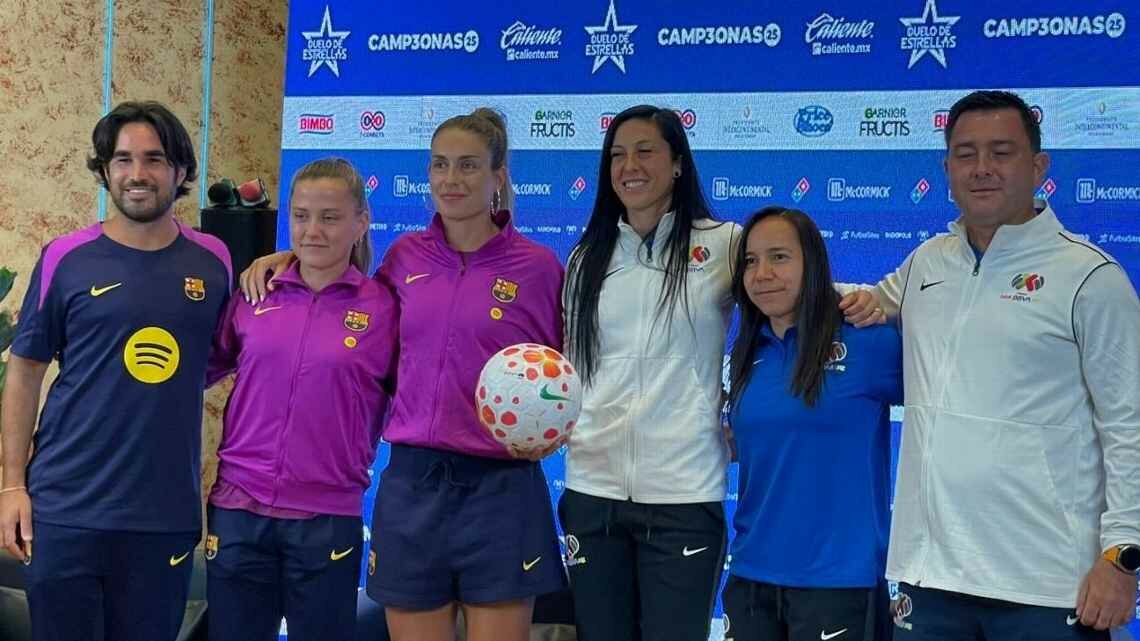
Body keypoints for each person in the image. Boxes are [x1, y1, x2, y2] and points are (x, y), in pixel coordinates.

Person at [240, 108, 567, 641]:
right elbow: (344, 295)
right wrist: (289, 259)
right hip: (414, 486)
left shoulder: (538, 268)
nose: (451, 178)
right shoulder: (404, 257)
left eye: (468, 165)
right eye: (440, 164)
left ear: (498, 176)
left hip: (502, 491)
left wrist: (556, 428)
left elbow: (565, 375)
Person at [844, 90, 1140, 638]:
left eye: (1001, 152)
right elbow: (860, 301)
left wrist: (1122, 556)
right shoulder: (927, 262)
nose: (982, 168)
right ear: (947, 169)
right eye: (966, 154)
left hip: (1049, 585)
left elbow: (1130, 426)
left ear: (1039, 166)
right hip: (930, 577)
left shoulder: (1091, 278)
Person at [0, 101, 232, 641]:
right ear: (105, 169)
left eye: (154, 159)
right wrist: (11, 486)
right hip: (66, 508)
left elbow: (225, 353)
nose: (137, 173)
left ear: (180, 170)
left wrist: (282, 262)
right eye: (123, 159)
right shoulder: (66, 257)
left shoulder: (213, 260)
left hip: (162, 513)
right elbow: (26, 369)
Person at [558, 105, 740, 641]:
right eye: (617, 155)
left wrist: (744, 411)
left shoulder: (725, 243)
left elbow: (790, 304)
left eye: (645, 151)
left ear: (678, 163)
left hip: (684, 492)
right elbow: (573, 366)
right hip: (592, 490)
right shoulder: (587, 257)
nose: (629, 166)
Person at [204, 158, 397, 641]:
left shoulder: (384, 308)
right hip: (239, 511)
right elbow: (196, 371)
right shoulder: (255, 292)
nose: (313, 231)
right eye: (301, 216)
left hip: (326, 518)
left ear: (360, 222)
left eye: (330, 217)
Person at [723, 206, 901, 641]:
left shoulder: (867, 340)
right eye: (751, 261)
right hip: (751, 577)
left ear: (813, 264)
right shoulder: (749, 350)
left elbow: (949, 398)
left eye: (779, 257)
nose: (762, 273)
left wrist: (887, 308)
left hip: (838, 581)